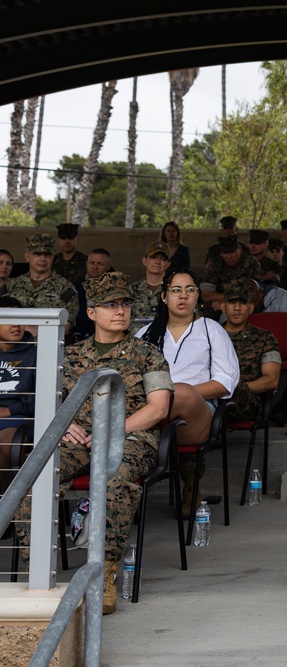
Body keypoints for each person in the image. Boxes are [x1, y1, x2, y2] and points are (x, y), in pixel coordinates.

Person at [15, 271, 173, 615]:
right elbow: (46, 399)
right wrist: (65, 421)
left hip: (130, 438)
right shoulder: (68, 355)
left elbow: (158, 407)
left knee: (114, 480)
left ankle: (103, 575)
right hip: (77, 438)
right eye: (111, 305)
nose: (121, 311)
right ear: (91, 313)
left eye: (126, 304)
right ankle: (36, 573)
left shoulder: (148, 354)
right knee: (35, 476)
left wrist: (112, 431)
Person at [137, 269, 240, 509]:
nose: (183, 296)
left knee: (179, 391)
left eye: (190, 290)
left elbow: (226, 382)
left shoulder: (211, 329)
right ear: (164, 296)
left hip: (198, 412)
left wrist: (182, 394)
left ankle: (191, 484)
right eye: (175, 290)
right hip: (153, 413)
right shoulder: (146, 333)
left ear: (197, 297)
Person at [220, 279, 281, 422]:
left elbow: (272, 380)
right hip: (209, 397)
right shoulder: (209, 335)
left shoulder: (265, 338)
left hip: (247, 401)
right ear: (223, 306)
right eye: (231, 303)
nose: (237, 308)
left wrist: (233, 389)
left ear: (251, 308)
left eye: (242, 303)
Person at [2, 234, 78, 336]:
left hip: (49, 347)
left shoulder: (65, 289)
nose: (43, 259)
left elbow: (65, 327)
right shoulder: (10, 286)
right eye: (37, 254)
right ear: (27, 257)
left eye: (47, 254)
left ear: (52, 257)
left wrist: (25, 328)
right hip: (14, 349)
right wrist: (28, 328)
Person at [0, 296, 35, 491]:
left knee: (7, 440)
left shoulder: (36, 351)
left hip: (23, 419)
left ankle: (9, 511)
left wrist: (9, 410)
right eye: (8, 319)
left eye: (20, 319)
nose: (16, 325)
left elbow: (42, 398)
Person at [201, 235, 262, 312]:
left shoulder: (252, 264)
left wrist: (229, 301)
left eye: (232, 252)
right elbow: (206, 295)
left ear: (239, 249)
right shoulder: (214, 266)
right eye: (225, 253)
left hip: (246, 305)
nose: (229, 256)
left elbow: (256, 294)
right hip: (219, 306)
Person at [128, 241, 171, 324]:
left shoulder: (174, 290)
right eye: (153, 257)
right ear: (144, 260)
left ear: (168, 264)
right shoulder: (131, 290)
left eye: (163, 259)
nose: (158, 262)